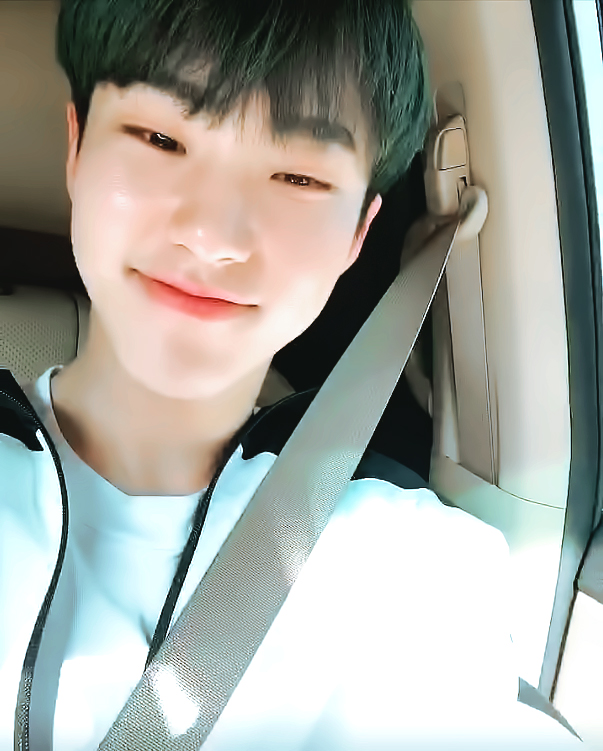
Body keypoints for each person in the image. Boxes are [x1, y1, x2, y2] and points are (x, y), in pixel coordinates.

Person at [0, 0, 588, 748]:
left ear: (358, 235)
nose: (212, 236)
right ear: (76, 150)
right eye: (160, 138)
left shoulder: (406, 568)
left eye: (298, 177)